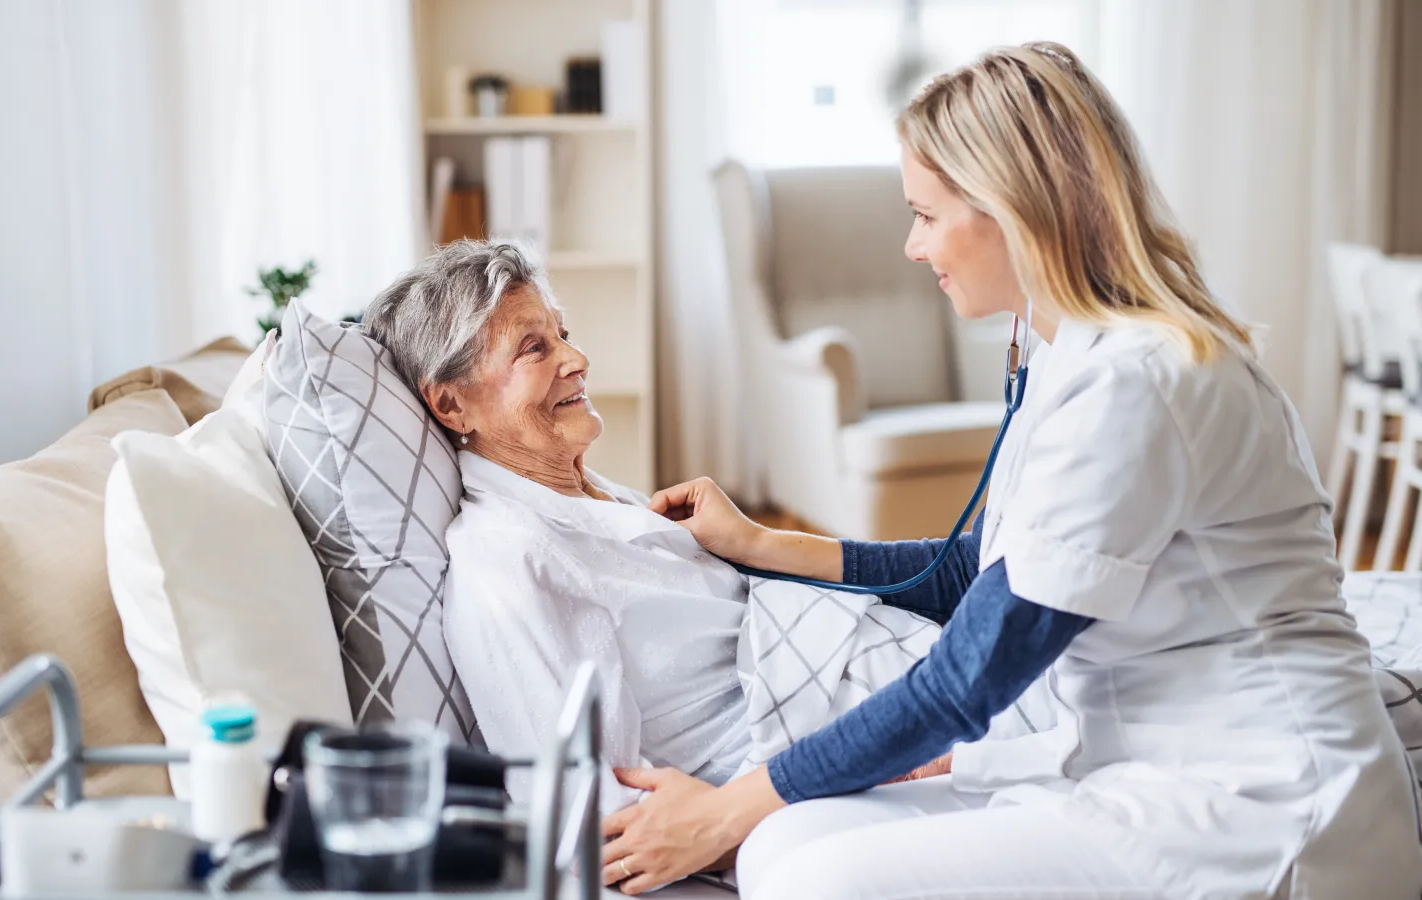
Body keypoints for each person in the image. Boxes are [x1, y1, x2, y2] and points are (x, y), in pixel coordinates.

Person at [598, 42, 1422, 899]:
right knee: (780, 847)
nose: (912, 246)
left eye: (925, 213)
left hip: (1260, 801)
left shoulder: (1140, 383)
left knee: (814, 878)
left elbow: (968, 678)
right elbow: (974, 569)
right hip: (1132, 762)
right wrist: (763, 542)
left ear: (1011, 209)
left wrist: (727, 806)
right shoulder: (1070, 353)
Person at [361, 239, 1052, 814]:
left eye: (563, 334)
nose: (577, 359)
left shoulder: (599, 499)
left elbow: (959, 570)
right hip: (864, 743)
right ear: (452, 406)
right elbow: (582, 804)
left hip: (916, 679)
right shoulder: (507, 562)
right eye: (533, 349)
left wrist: (753, 546)